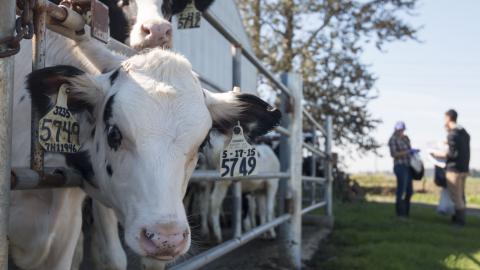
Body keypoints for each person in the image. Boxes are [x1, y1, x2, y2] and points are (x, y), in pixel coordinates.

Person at [432, 109, 470, 226]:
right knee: (461, 195)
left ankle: (459, 221)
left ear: (448, 118)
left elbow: (452, 153)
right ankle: (457, 217)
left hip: (454, 170)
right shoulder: (464, 133)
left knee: (456, 196)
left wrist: (436, 154)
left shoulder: (452, 134)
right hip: (464, 168)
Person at [388, 121, 414, 217]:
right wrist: (407, 152)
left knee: (409, 191)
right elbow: (394, 154)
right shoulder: (393, 140)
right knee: (401, 190)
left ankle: (406, 212)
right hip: (399, 166)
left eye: (402, 130)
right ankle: (400, 213)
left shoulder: (406, 139)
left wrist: (413, 152)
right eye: (399, 130)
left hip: (408, 166)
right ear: (396, 130)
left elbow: (410, 150)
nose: (401, 131)